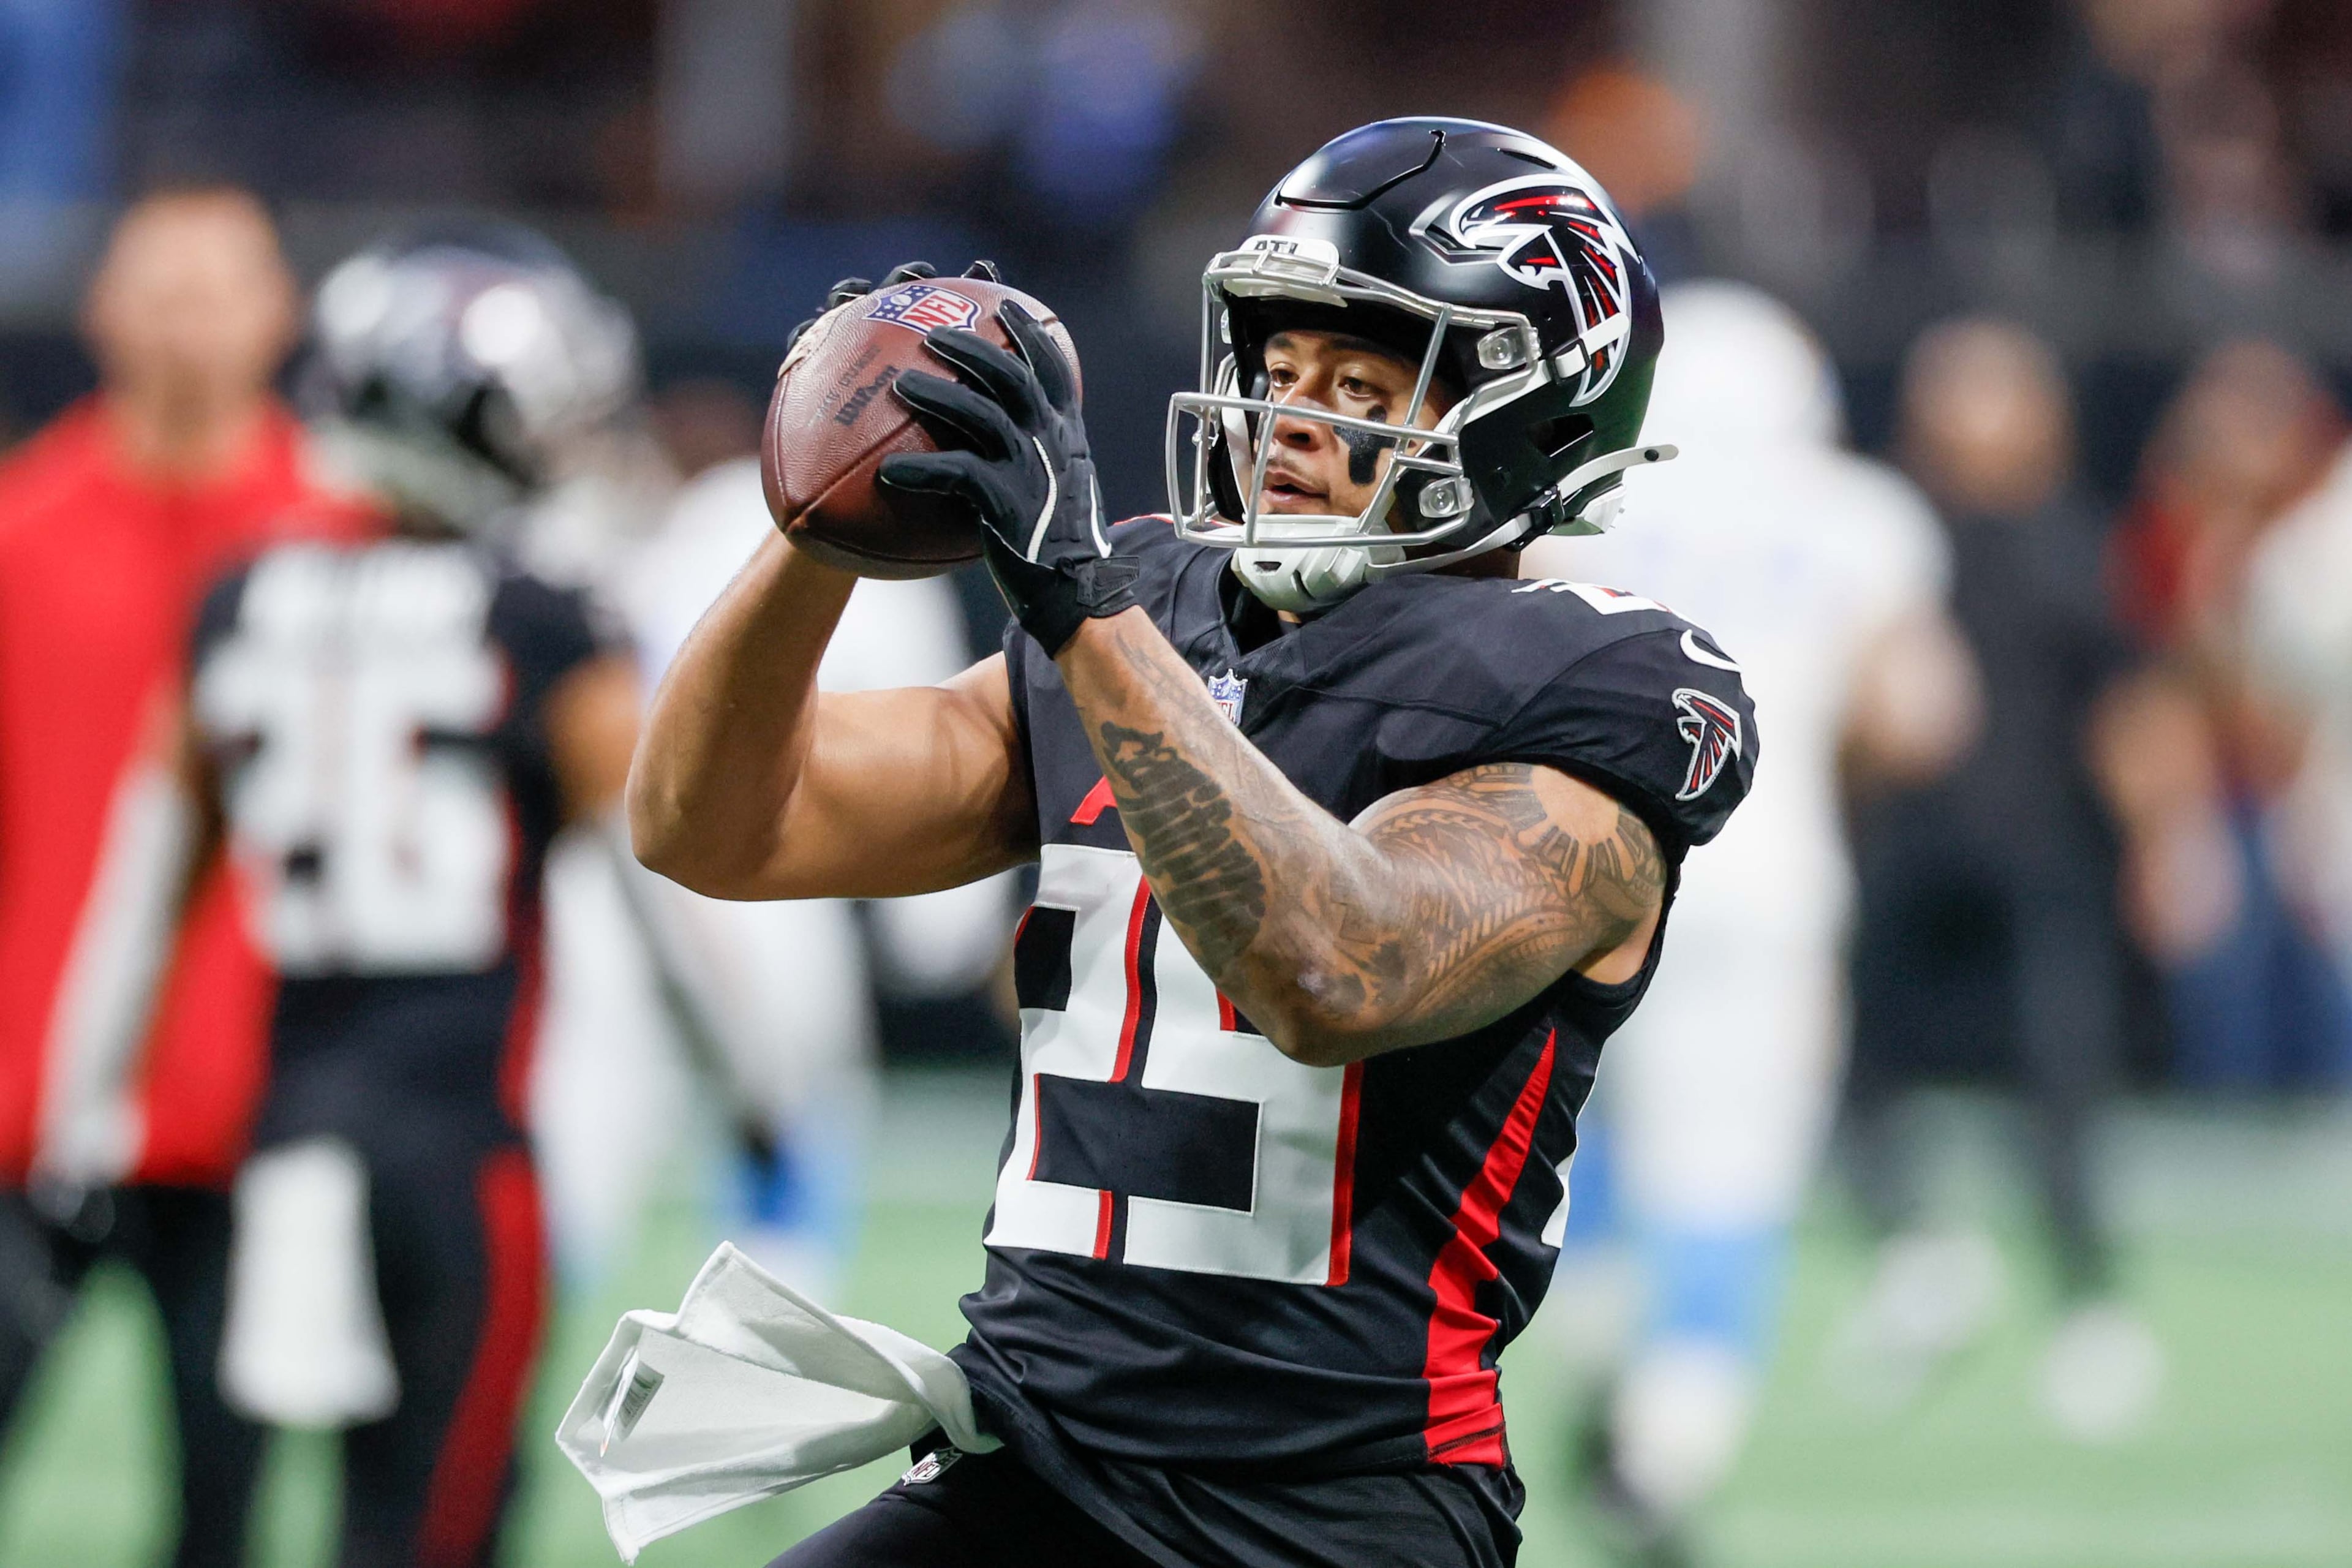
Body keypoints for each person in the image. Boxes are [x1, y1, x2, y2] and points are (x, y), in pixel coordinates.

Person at [630, 118, 1757, 1568]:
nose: (1295, 419)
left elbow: (1338, 966)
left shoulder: (1586, 683)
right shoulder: (1153, 604)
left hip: (1328, 1512)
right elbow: (715, 823)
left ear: (1532, 413)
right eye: (1280, 370)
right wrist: (824, 511)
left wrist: (1081, 606)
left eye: (1361, 381)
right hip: (1032, 1459)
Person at [105, 227, 642, 1567]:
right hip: (455, 1153)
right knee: (428, 1523)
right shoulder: (542, 618)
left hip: (278, 1138)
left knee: (225, 1522)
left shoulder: (239, 601)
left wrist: (86, 1111)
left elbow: (142, 884)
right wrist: (761, 1080)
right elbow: (671, 871)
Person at [1520, 282, 1976, 1562]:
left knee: (1576, 1136)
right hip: (1767, 888)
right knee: (1729, 1178)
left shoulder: (1586, 500)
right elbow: (1925, 715)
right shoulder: (1861, 519)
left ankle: (1594, 1344)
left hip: (1583, 875)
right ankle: (1670, 1444)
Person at [0, 186, 366, 1568]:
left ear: (279, 312)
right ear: (99, 307)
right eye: (158, 285)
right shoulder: (21, 533)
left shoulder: (342, 543)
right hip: (24, 1100)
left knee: (225, 1505)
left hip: (256, 1112)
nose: (186, 319)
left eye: (219, 286)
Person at [1831, 318, 2159, 1440]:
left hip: (2040, 856)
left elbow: (2129, 708)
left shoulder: (2073, 544)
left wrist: (2171, 842)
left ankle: (2090, 1315)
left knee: (2059, 1091)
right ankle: (1919, 1258)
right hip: (1911, 854)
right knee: (1852, 1072)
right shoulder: (1889, 536)